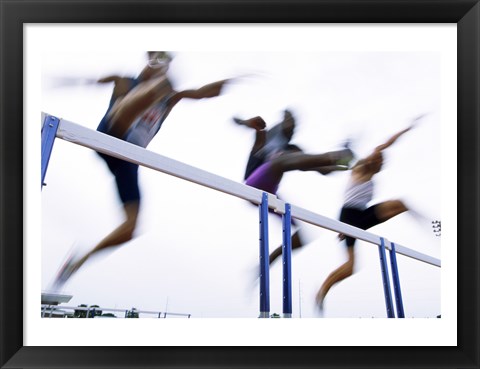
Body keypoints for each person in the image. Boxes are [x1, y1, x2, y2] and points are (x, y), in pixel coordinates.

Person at [52, 51, 232, 289]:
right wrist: (69, 81)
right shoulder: (126, 81)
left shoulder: (170, 98)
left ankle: (79, 261)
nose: (159, 69)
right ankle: (148, 87)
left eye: (162, 64)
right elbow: (93, 81)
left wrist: (230, 81)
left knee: (131, 228)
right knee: (147, 93)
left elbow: (202, 93)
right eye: (156, 62)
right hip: (111, 134)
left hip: (127, 160)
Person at [315, 118, 423, 311]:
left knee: (400, 204)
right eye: (379, 161)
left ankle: (431, 223)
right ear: (374, 160)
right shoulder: (363, 166)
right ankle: (323, 290)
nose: (379, 164)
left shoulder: (372, 176)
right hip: (349, 214)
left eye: (381, 164)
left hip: (360, 215)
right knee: (350, 266)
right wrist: (408, 128)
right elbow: (386, 144)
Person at [234, 111, 354, 265]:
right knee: (281, 161)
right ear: (282, 124)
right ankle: (335, 155)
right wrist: (247, 122)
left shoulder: (293, 149)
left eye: (294, 126)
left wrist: (342, 167)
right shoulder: (267, 140)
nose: (292, 128)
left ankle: (270, 259)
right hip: (252, 186)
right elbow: (239, 122)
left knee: (301, 237)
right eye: (289, 123)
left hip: (269, 195)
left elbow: (321, 169)